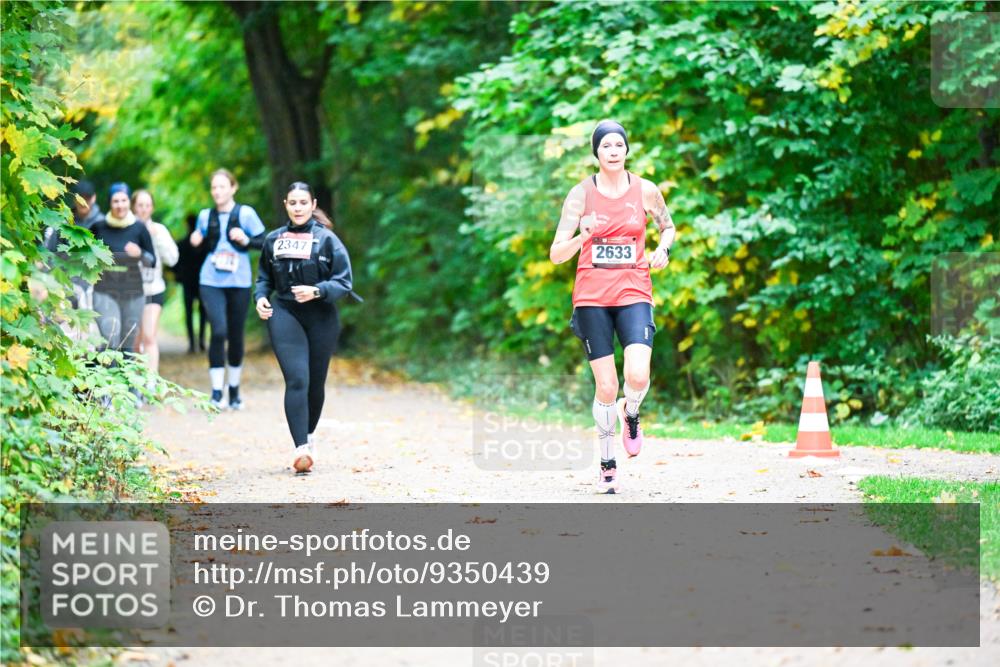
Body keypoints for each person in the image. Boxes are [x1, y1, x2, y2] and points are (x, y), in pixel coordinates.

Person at [549, 120, 676, 494]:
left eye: (619, 144)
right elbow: (556, 254)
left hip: (635, 291)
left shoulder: (646, 191)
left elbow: (667, 227)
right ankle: (607, 463)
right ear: (596, 153)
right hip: (591, 297)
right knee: (606, 385)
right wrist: (581, 236)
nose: (614, 150)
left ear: (627, 150)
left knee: (636, 376)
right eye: (606, 146)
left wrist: (663, 249)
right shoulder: (579, 196)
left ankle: (631, 411)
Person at [255, 182, 356, 473]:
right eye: (293, 203)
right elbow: (263, 278)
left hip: (322, 316)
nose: (298, 208)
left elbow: (344, 282)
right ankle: (300, 448)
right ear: (286, 204)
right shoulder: (273, 240)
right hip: (285, 312)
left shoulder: (327, 240)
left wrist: (318, 291)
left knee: (315, 382)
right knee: (297, 379)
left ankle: (309, 437)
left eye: (303, 203)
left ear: (313, 205)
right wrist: (260, 297)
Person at [190, 169, 266, 410]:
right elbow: (198, 237)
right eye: (214, 187)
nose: (217, 192)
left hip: (239, 281)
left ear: (233, 188)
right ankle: (215, 392)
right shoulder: (205, 215)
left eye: (222, 187)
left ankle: (233, 390)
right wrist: (195, 238)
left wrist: (245, 240)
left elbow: (264, 242)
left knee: (235, 334)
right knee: (219, 330)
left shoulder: (245, 214)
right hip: (211, 280)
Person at [90, 182, 157, 354]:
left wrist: (140, 253)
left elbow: (152, 261)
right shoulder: (99, 227)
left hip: (133, 293)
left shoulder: (139, 228)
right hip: (104, 292)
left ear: (129, 202)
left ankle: (126, 381)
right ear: (110, 204)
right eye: (115, 201)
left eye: (123, 200)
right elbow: (84, 255)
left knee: (128, 344)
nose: (120, 205)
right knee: (111, 339)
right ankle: (109, 379)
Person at [132, 190, 178, 375]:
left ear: (152, 208)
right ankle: (136, 383)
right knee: (135, 340)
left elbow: (173, 259)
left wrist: (156, 239)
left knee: (149, 336)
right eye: (140, 205)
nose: (143, 209)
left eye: (147, 205)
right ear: (134, 207)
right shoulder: (126, 229)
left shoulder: (159, 230)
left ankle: (151, 381)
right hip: (130, 291)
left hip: (154, 288)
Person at [173, 214, 209, 354]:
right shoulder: (205, 244)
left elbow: (175, 263)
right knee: (202, 312)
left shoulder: (182, 243)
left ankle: (192, 343)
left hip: (188, 281)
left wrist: (178, 275)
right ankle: (200, 342)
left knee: (189, 313)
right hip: (202, 281)